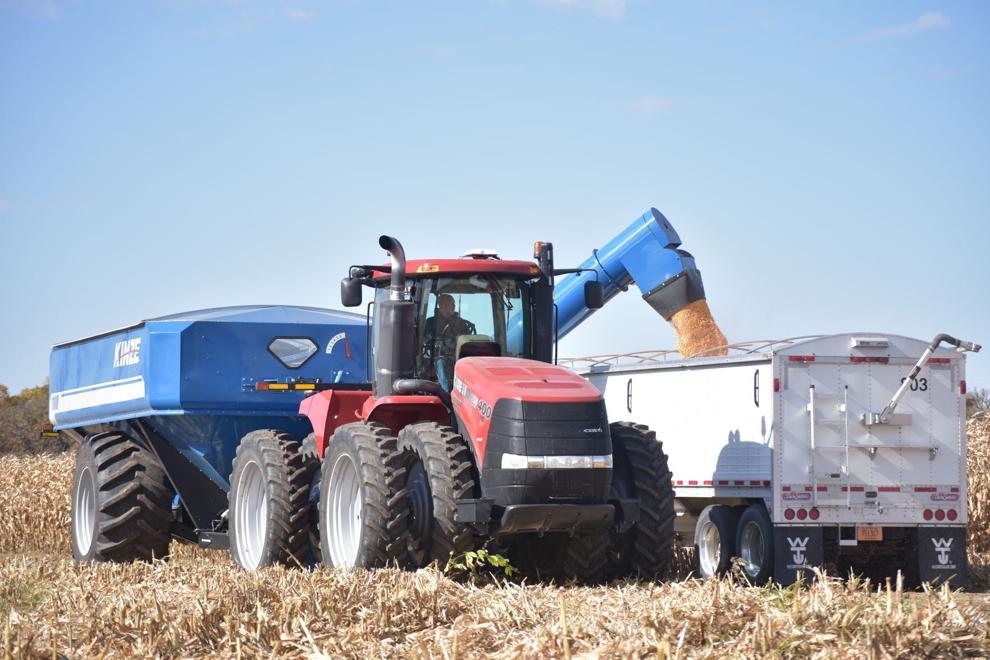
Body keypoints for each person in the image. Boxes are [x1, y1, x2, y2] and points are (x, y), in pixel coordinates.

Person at [424, 294, 476, 360]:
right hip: (435, 358)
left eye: (454, 304)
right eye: (451, 304)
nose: (454, 306)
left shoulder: (461, 323)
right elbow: (425, 340)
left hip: (458, 359)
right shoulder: (430, 322)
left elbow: (467, 343)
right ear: (442, 306)